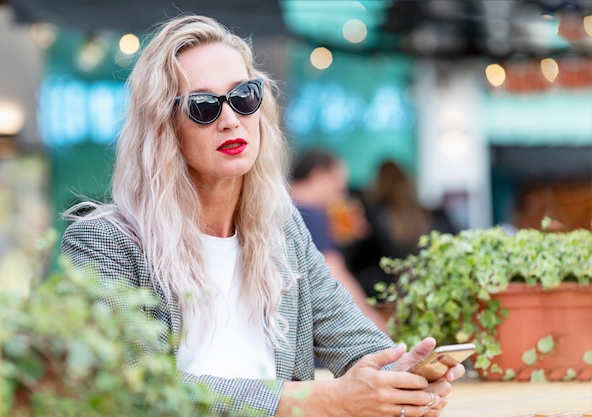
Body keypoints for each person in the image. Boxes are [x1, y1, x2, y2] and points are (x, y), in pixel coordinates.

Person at [60, 14, 464, 417]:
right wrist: (319, 400)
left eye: (243, 97)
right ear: (164, 127)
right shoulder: (105, 242)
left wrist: (404, 378)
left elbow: (357, 343)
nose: (231, 119)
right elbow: (138, 386)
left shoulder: (281, 230)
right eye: (203, 106)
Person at [289, 149, 388, 331]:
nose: (341, 196)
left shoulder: (287, 208)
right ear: (319, 176)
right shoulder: (310, 213)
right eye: (339, 187)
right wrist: (373, 321)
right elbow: (333, 274)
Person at [351, 161, 458, 298]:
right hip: (431, 295)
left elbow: (358, 262)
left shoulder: (374, 219)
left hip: (389, 299)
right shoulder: (433, 216)